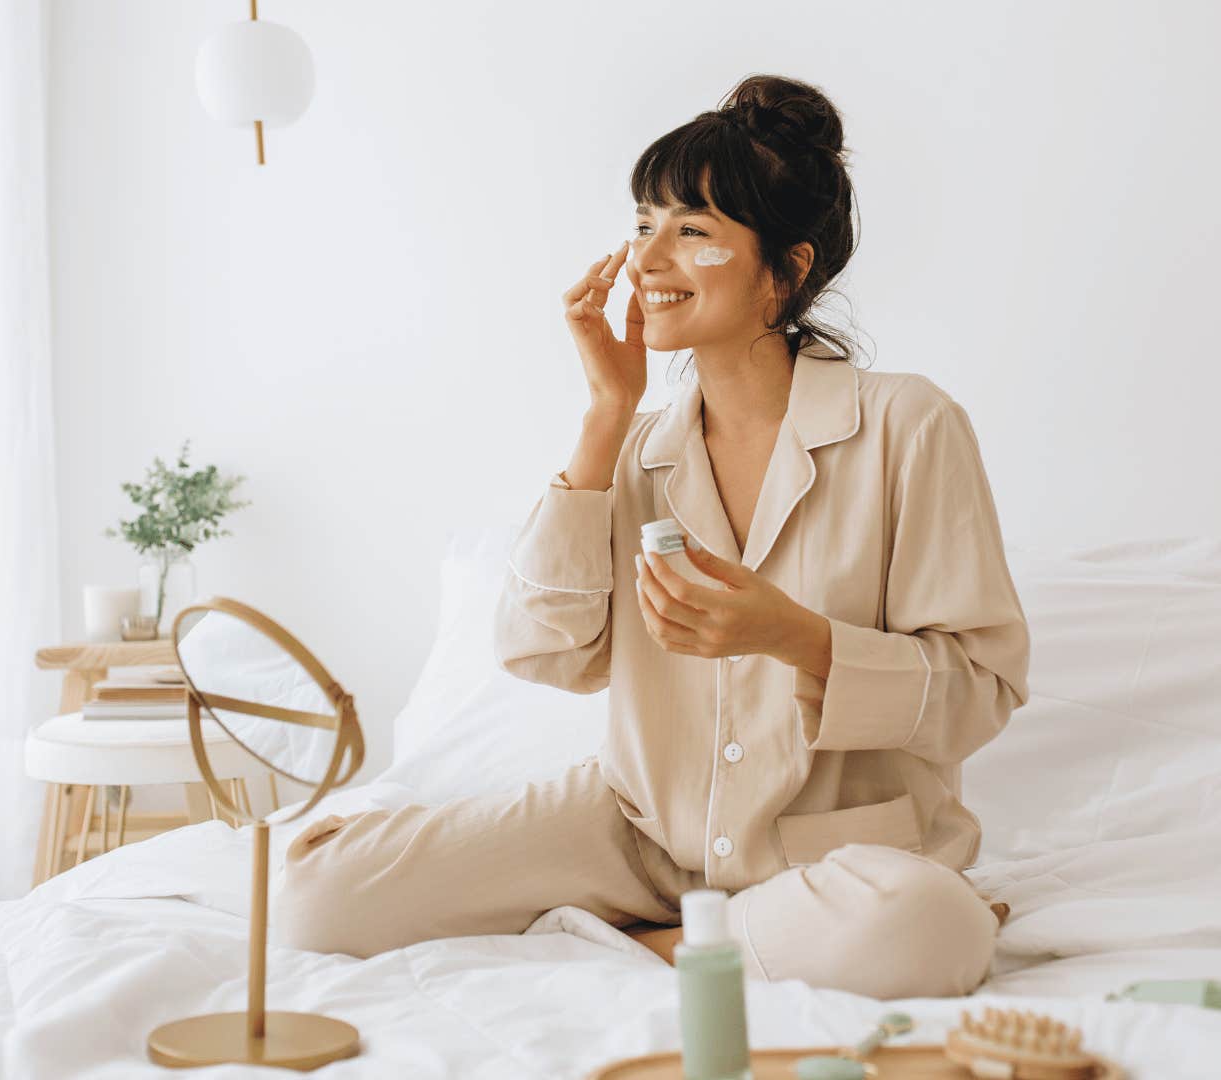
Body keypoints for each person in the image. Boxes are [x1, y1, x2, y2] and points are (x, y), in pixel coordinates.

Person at [274, 74, 1031, 1001]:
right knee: (316, 891)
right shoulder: (638, 448)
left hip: (829, 855)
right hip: (642, 833)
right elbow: (544, 652)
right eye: (643, 225)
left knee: (928, 926)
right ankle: (710, 936)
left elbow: (980, 694)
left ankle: (671, 944)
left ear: (786, 272)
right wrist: (605, 414)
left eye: (693, 231)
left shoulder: (907, 425)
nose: (648, 259)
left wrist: (792, 636)